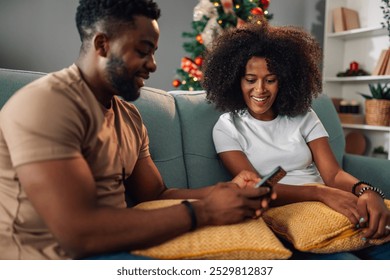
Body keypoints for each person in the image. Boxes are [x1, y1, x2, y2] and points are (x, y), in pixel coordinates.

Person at [0, 0, 272, 260]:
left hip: (116, 250)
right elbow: (78, 234)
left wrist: (224, 192)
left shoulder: (128, 116)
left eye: (153, 52)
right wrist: (205, 211)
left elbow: (157, 195)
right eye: (143, 52)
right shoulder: (46, 105)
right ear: (102, 44)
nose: (153, 64)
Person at [201, 18, 390, 259]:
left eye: (270, 80)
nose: (260, 90)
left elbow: (333, 174)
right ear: (236, 81)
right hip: (289, 217)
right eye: (250, 80)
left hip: (331, 206)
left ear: (284, 81)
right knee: (346, 263)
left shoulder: (303, 115)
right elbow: (257, 189)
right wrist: (320, 193)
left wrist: (366, 191)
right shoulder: (227, 127)